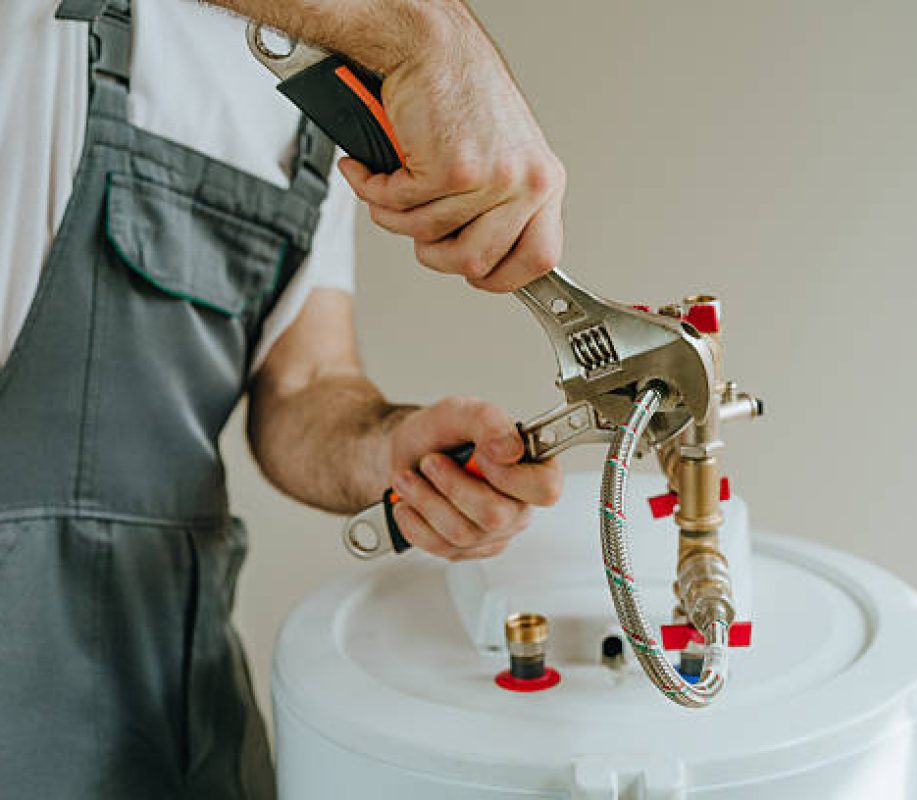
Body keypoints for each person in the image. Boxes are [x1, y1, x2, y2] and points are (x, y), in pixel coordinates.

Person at [0, 0, 565, 796]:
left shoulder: (319, 93)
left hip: (172, 718)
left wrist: (393, 451)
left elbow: (305, 384)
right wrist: (433, 39)